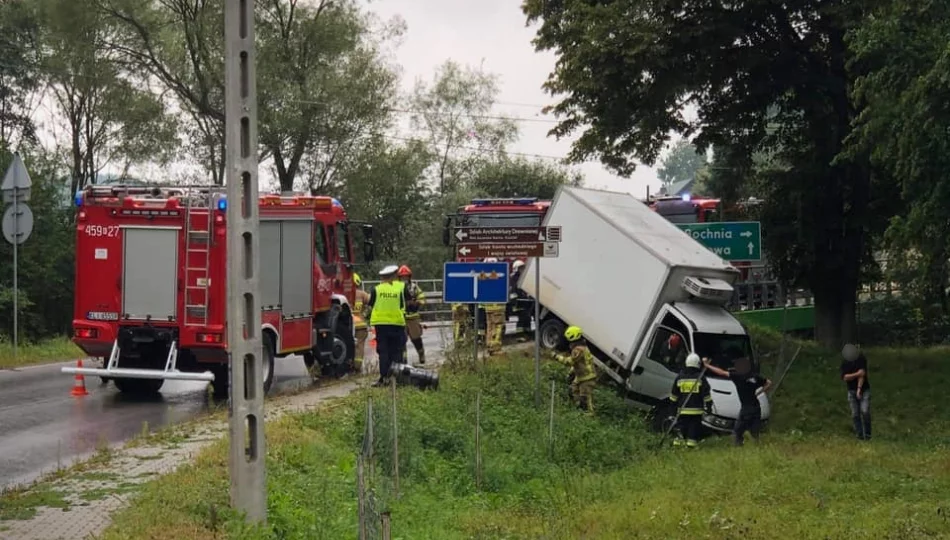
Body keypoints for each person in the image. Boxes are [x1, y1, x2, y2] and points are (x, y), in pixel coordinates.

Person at [703, 356, 771, 446]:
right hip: (756, 408)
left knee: (737, 431)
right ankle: (757, 446)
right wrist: (759, 392)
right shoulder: (755, 377)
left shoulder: (738, 377)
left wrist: (707, 365)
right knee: (755, 432)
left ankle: (738, 447)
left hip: (746, 408)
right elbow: (769, 382)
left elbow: (721, 372)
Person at [363, 265, 411, 387]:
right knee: (397, 352)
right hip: (397, 324)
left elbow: (370, 304)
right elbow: (409, 302)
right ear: (395, 276)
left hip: (381, 325)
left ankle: (384, 379)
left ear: (382, 277)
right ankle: (398, 379)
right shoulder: (402, 287)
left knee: (383, 352)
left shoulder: (376, 289)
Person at [670, 353, 711, 448]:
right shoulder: (701, 378)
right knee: (693, 428)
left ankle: (677, 444)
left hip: (682, 410)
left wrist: (672, 411)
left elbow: (673, 396)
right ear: (697, 364)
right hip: (696, 411)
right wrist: (709, 408)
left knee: (680, 427)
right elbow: (707, 395)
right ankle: (691, 445)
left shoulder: (679, 377)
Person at [555, 326, 597, 412]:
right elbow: (578, 363)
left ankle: (590, 413)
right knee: (573, 389)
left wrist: (557, 357)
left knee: (585, 396)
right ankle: (578, 407)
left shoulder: (578, 350)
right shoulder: (580, 347)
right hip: (581, 376)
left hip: (587, 377)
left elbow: (570, 361)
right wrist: (571, 372)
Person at [840, 343, 871, 440]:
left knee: (865, 411)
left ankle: (868, 434)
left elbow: (862, 374)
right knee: (855, 414)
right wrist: (856, 374)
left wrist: (859, 389)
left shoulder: (861, 359)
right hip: (851, 391)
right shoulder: (845, 363)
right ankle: (859, 434)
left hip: (864, 390)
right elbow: (845, 377)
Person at [397, 265, 427, 365]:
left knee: (416, 339)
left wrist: (416, 304)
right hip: (400, 318)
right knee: (401, 341)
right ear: (399, 277)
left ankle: (421, 356)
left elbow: (422, 297)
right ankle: (403, 360)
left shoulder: (414, 287)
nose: (404, 279)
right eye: (402, 277)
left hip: (413, 318)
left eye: (406, 277)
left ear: (409, 277)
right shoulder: (396, 288)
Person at [480, 257, 506, 355]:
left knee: (490, 327)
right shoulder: (499, 275)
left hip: (488, 308)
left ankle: (489, 345)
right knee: (498, 327)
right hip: (498, 307)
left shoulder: (484, 277)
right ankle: (496, 348)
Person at [352, 272, 371, 373]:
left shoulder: (342, 294)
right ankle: (357, 368)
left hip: (348, 326)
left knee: (350, 347)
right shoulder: (362, 294)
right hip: (360, 325)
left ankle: (349, 367)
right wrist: (366, 315)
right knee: (359, 347)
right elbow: (372, 303)